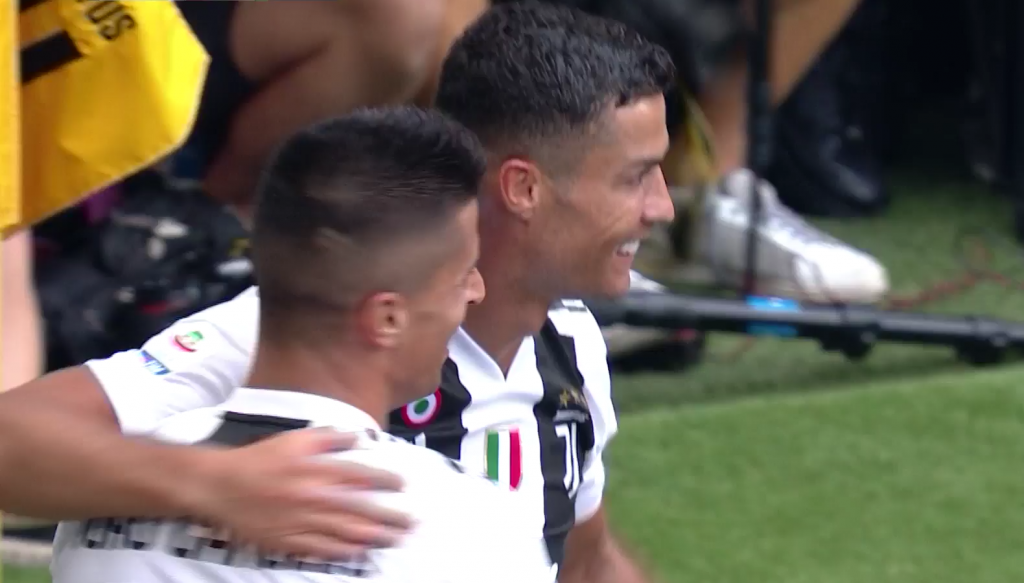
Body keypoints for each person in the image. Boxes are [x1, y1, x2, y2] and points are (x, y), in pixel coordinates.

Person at [0, 4, 670, 580]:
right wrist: (211, 482)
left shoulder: (570, 343)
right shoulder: (296, 332)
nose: (662, 206)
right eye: (635, 177)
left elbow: (584, 557)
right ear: (523, 187)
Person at [50, 106, 556, 583]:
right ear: (386, 319)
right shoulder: (470, 529)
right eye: (463, 273)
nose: (476, 291)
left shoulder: (103, 500)